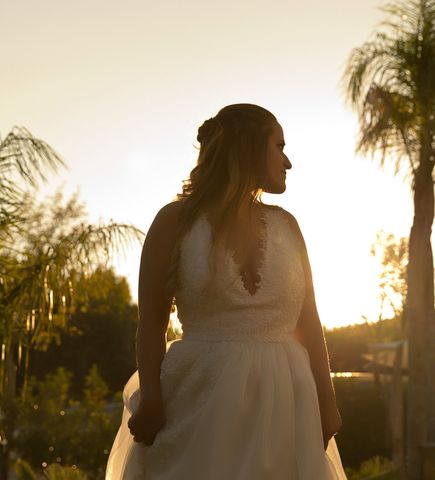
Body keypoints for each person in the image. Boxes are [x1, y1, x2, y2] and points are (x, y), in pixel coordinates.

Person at [106, 104, 346, 479]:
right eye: (279, 146)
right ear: (249, 148)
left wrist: (327, 401)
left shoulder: (288, 226)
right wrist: (151, 395)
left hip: (287, 399)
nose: (288, 162)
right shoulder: (174, 221)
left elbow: (309, 321)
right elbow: (151, 321)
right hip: (199, 397)